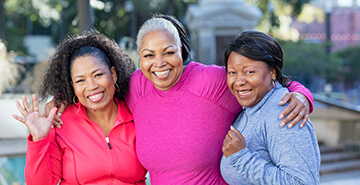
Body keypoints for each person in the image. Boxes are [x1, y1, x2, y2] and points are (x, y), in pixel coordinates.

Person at [47, 15, 313, 184]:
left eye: (168, 52)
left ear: (183, 52)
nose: (159, 63)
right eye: (149, 55)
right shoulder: (137, 85)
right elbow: (98, 86)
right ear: (139, 57)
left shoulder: (210, 80)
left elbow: (256, 78)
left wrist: (302, 95)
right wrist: (60, 99)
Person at [12, 31, 147, 185]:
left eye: (98, 75)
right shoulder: (60, 122)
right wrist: (39, 139)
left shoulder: (137, 117)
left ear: (113, 74)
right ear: (72, 86)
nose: (91, 86)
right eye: (80, 80)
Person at [220, 31, 320, 184]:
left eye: (249, 72)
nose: (239, 81)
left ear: (272, 72)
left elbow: (302, 182)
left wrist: (241, 158)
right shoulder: (251, 108)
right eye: (232, 72)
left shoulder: (283, 113)